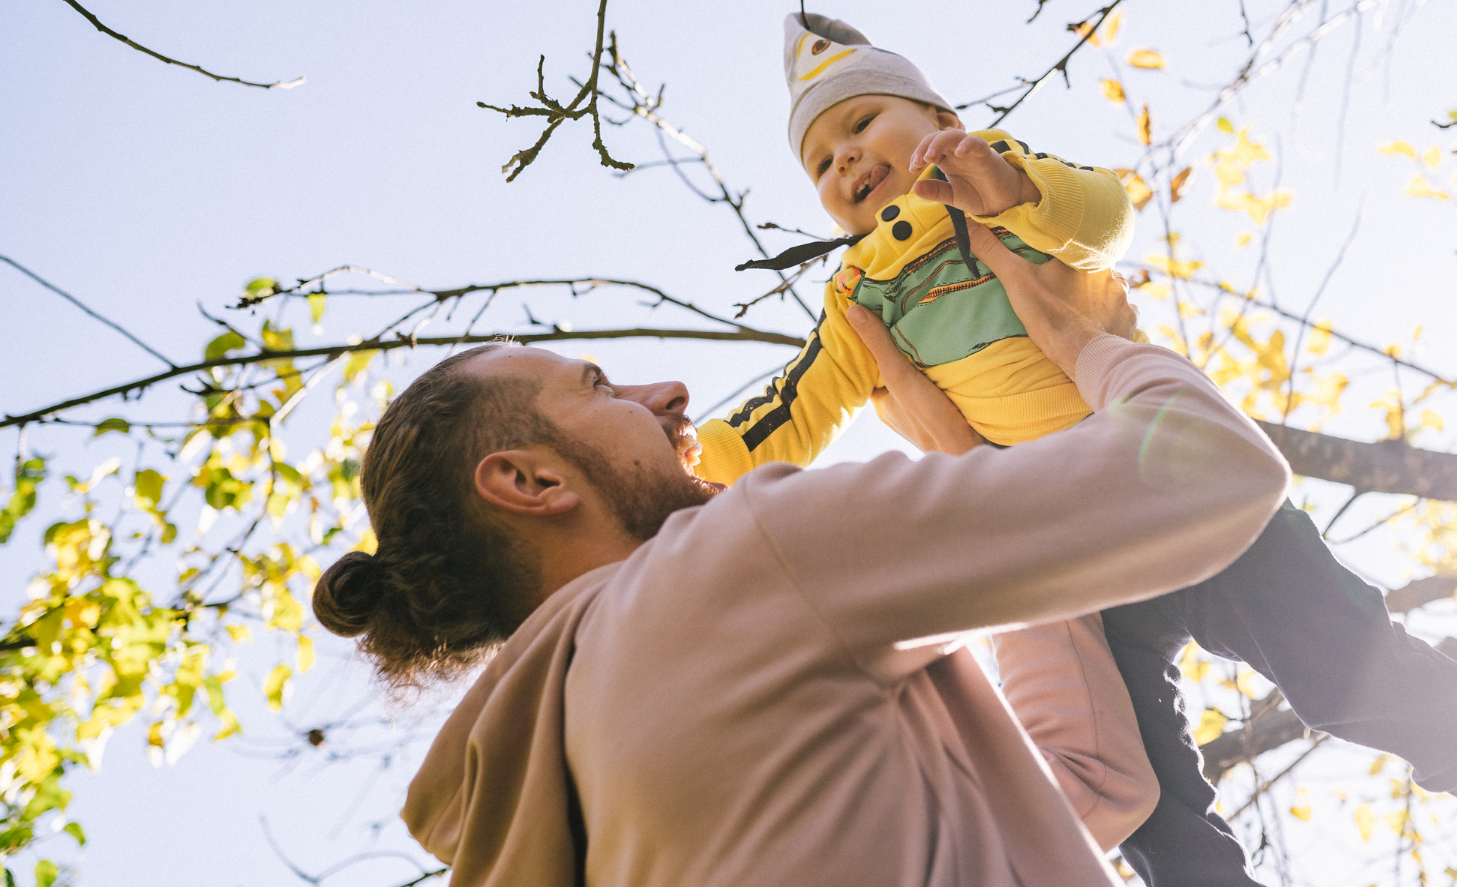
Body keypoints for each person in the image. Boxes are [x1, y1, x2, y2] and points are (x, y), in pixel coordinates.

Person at [692, 11, 1457, 887]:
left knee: (1338, 665)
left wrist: (1008, 184)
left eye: (861, 121)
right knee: (1133, 794)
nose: (845, 157)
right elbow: (786, 417)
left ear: (937, 115)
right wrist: (685, 468)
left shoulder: (996, 183)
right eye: (820, 161)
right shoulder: (855, 300)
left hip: (1164, 480)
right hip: (1064, 564)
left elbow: (1101, 216)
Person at [313, 224, 1294, 887]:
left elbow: (1080, 789)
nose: (669, 393)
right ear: (529, 483)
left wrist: (965, 467)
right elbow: (1212, 469)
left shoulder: (563, 803)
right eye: (603, 386)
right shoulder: (738, 557)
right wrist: (1081, 336)